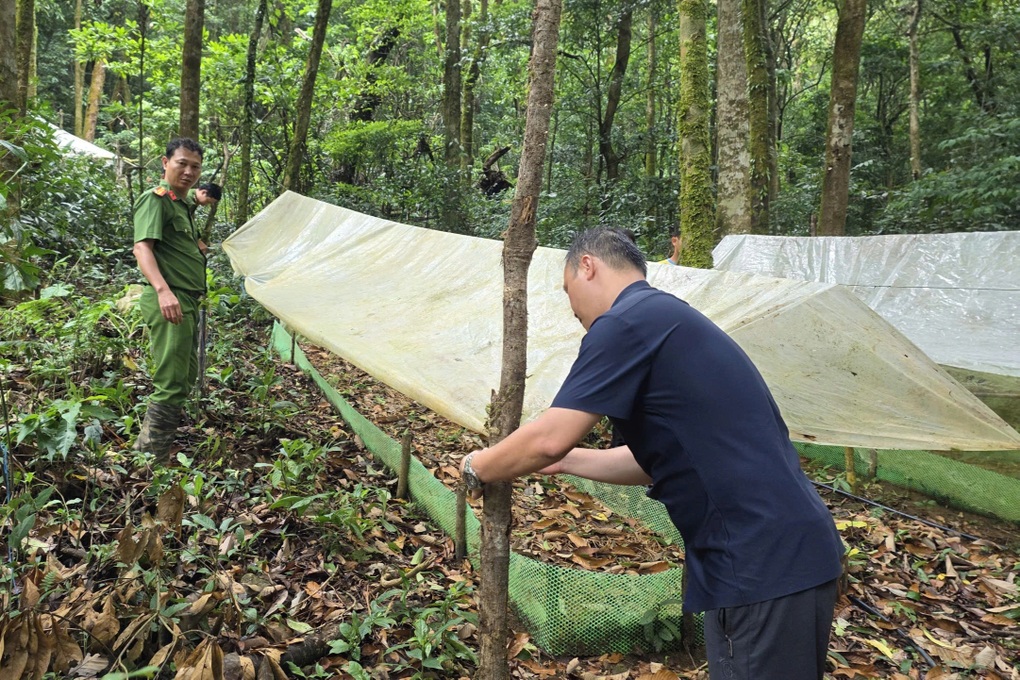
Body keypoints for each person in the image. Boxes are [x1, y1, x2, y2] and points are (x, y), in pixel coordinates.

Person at [460, 228, 844, 680]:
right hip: (780, 552)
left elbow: (550, 436)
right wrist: (564, 462)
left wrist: (476, 466)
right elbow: (653, 460)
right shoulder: (665, 318)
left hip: (760, 560)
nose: (572, 310)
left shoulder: (626, 322)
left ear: (588, 265)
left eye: (568, 291)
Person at [132, 137, 206, 462]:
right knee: (172, 382)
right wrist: (164, 291)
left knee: (184, 378)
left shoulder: (182, 205)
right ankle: (149, 462)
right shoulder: (156, 200)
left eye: (195, 166)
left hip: (187, 302)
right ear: (165, 163)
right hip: (171, 300)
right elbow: (142, 248)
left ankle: (150, 451)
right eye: (182, 163)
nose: (189, 171)